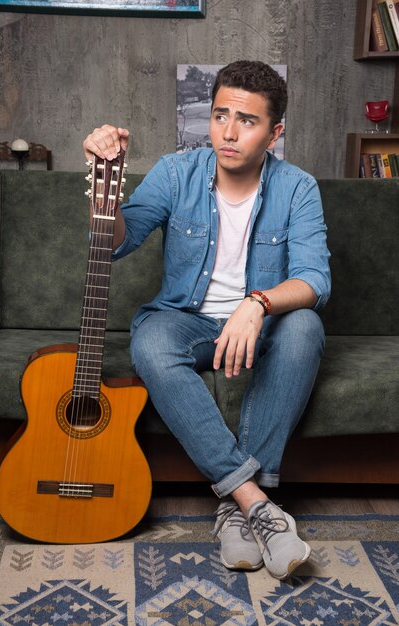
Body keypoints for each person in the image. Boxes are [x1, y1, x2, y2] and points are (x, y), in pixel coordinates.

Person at [83, 60, 331, 580]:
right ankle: (253, 500)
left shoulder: (298, 188)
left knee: (306, 325)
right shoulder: (177, 173)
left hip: (258, 329)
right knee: (150, 341)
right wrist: (105, 189)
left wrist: (256, 304)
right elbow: (116, 244)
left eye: (247, 120)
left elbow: (314, 281)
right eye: (221, 115)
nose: (229, 132)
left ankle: (237, 514)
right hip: (188, 322)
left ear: (274, 132)